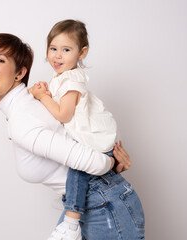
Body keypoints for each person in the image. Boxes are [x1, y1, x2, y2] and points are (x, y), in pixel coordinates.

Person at [0, 33, 145, 240]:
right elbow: (78, 132)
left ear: (20, 73)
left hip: (103, 205)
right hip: (92, 202)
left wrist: (112, 162)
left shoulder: (23, 117)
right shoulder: (30, 105)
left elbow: (88, 158)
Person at [28, 19, 142, 240]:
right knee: (79, 165)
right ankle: (71, 221)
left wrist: (43, 97)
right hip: (95, 150)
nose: (57, 56)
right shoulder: (61, 78)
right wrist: (44, 94)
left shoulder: (72, 81)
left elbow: (63, 115)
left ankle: (71, 221)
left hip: (94, 141)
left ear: (82, 53)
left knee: (78, 166)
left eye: (66, 50)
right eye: (53, 48)